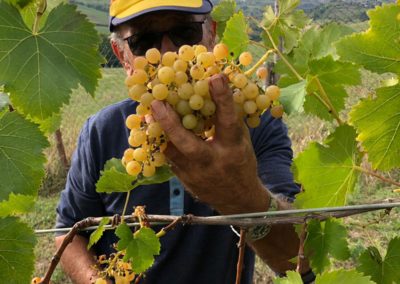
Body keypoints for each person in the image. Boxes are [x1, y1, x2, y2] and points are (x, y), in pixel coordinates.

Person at [55, 0, 314, 283]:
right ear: (123, 56)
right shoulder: (101, 132)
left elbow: (299, 257)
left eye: (185, 32)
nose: (168, 53)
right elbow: (68, 232)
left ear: (211, 34)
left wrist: (242, 198)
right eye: (144, 41)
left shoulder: (255, 123)